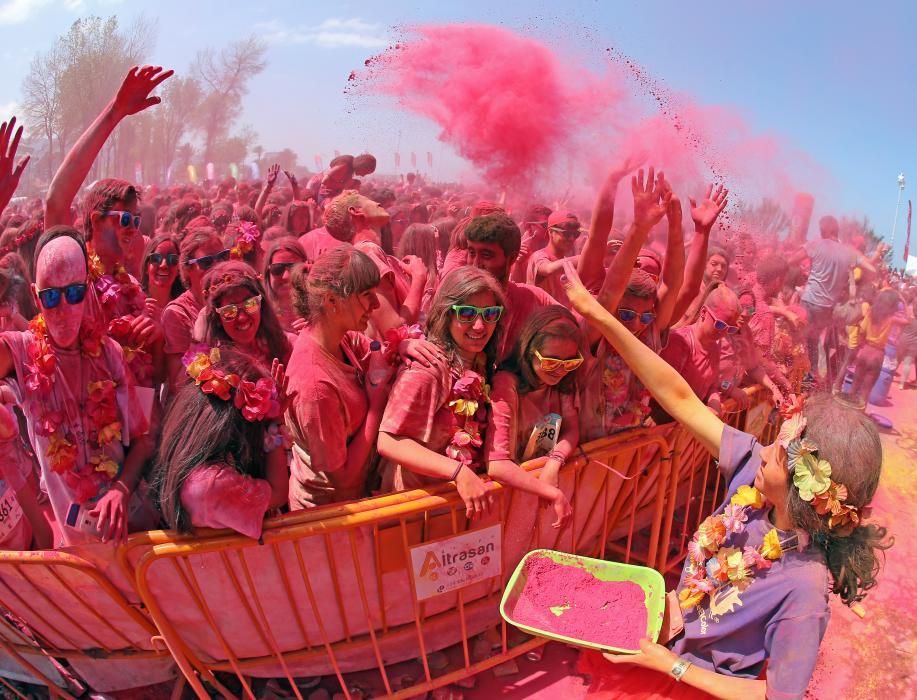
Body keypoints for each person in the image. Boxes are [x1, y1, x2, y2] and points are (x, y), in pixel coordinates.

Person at [562, 260, 889, 700]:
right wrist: (599, 315)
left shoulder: (805, 588)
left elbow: (779, 695)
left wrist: (671, 666)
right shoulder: (753, 479)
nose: (765, 446)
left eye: (778, 448)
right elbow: (678, 396)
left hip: (690, 685)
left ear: (803, 485)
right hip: (661, 646)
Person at [0, 228, 156, 545]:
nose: (63, 310)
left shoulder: (111, 353)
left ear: (86, 290)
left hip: (129, 526)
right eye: (51, 297)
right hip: (75, 546)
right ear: (34, 296)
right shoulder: (21, 352)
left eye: (73, 294)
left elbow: (145, 439)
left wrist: (121, 490)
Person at [284, 245, 441, 508]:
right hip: (330, 516)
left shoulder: (338, 337)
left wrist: (400, 344)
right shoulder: (315, 387)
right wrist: (375, 406)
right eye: (367, 294)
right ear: (332, 301)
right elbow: (343, 481)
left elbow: (376, 349)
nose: (377, 304)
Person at [377, 267, 508, 519]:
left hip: (451, 510)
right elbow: (389, 441)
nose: (480, 325)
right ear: (446, 315)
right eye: (467, 313)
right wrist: (458, 472)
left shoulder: (480, 361)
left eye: (490, 314)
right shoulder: (428, 367)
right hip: (414, 514)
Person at [153, 347, 290, 539]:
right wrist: (275, 425)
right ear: (242, 423)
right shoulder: (212, 485)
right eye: (261, 417)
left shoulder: (190, 454)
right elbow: (278, 493)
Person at [484, 306, 578, 527]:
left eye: (570, 362)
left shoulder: (563, 381)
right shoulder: (506, 384)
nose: (560, 370)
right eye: (551, 361)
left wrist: (554, 464)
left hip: (533, 493)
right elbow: (497, 464)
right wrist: (550, 492)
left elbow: (572, 429)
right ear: (528, 351)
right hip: (505, 500)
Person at [789, 216, 877, 385]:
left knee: (798, 339)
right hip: (827, 308)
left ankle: (793, 379)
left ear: (823, 231)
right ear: (837, 231)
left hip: (809, 302)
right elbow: (871, 269)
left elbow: (791, 260)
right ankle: (807, 382)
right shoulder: (849, 252)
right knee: (813, 342)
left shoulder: (816, 244)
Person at [464, 212, 557, 362]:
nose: (475, 264)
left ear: (512, 258)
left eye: (486, 255)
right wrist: (411, 343)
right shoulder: (454, 295)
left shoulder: (532, 298)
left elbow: (575, 330)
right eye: (471, 252)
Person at [162, 229, 227, 391]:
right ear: (187, 269)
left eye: (222, 257)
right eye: (206, 262)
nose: (217, 267)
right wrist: (200, 341)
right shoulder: (177, 313)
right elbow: (178, 385)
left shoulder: (232, 299)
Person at [661, 285, 741, 411]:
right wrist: (701, 411)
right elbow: (664, 392)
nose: (725, 332)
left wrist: (714, 404)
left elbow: (712, 386)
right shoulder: (680, 342)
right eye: (720, 324)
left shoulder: (714, 346)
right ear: (703, 312)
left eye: (731, 329)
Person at [198, 260, 292, 366]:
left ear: (261, 304)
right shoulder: (212, 368)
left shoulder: (288, 345)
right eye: (229, 311)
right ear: (218, 318)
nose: (242, 317)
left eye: (250, 303)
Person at [840, 289, 902, 409]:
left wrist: (858, 351)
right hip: (877, 355)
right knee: (865, 392)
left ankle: (846, 414)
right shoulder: (892, 318)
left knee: (854, 386)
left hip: (865, 352)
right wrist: (902, 299)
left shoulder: (870, 313)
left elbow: (861, 333)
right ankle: (860, 417)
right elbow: (909, 320)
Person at [526, 211, 581, 306]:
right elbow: (548, 269)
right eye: (567, 234)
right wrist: (584, 258)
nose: (572, 238)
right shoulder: (539, 256)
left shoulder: (567, 261)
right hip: (541, 320)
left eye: (575, 234)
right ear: (551, 231)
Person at [262, 239, 307, 333]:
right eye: (278, 269)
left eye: (293, 268)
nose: (286, 276)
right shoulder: (260, 315)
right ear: (268, 273)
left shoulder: (319, 312)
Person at [140, 234, 183, 309]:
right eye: (156, 258)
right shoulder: (132, 303)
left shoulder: (183, 311)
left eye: (172, 259)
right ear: (147, 266)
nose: (164, 265)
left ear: (178, 269)